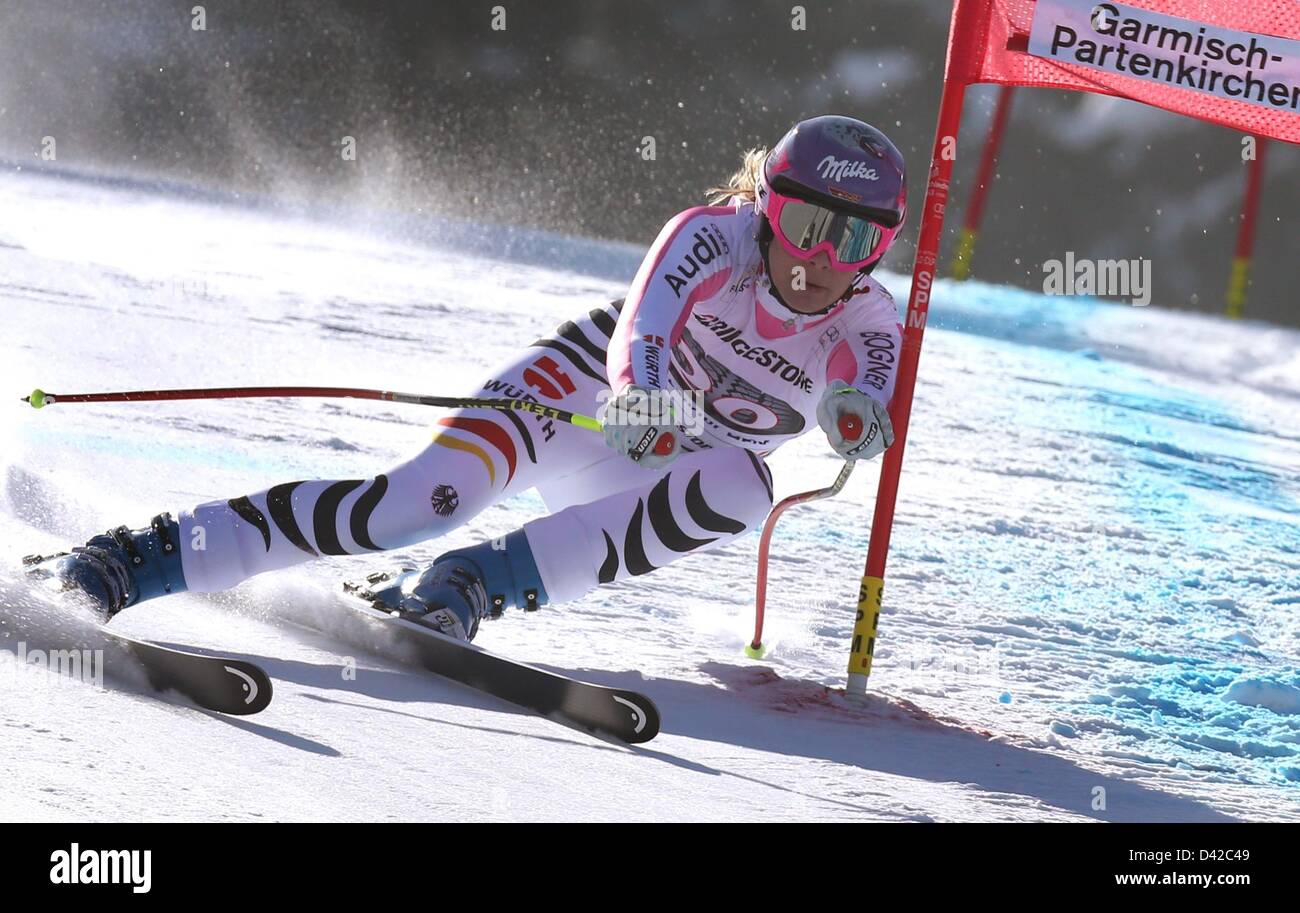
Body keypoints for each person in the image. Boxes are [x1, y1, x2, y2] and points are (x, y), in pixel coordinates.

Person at [32, 114, 908, 642]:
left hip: (668, 463)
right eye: (801, 222)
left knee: (745, 484)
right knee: (406, 506)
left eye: (854, 240)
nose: (818, 260)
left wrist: (858, 418)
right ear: (766, 204)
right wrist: (644, 393)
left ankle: (473, 583)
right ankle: (127, 558)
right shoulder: (714, 236)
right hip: (586, 401)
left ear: (882, 248)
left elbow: (858, 394)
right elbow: (644, 327)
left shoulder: (868, 320)